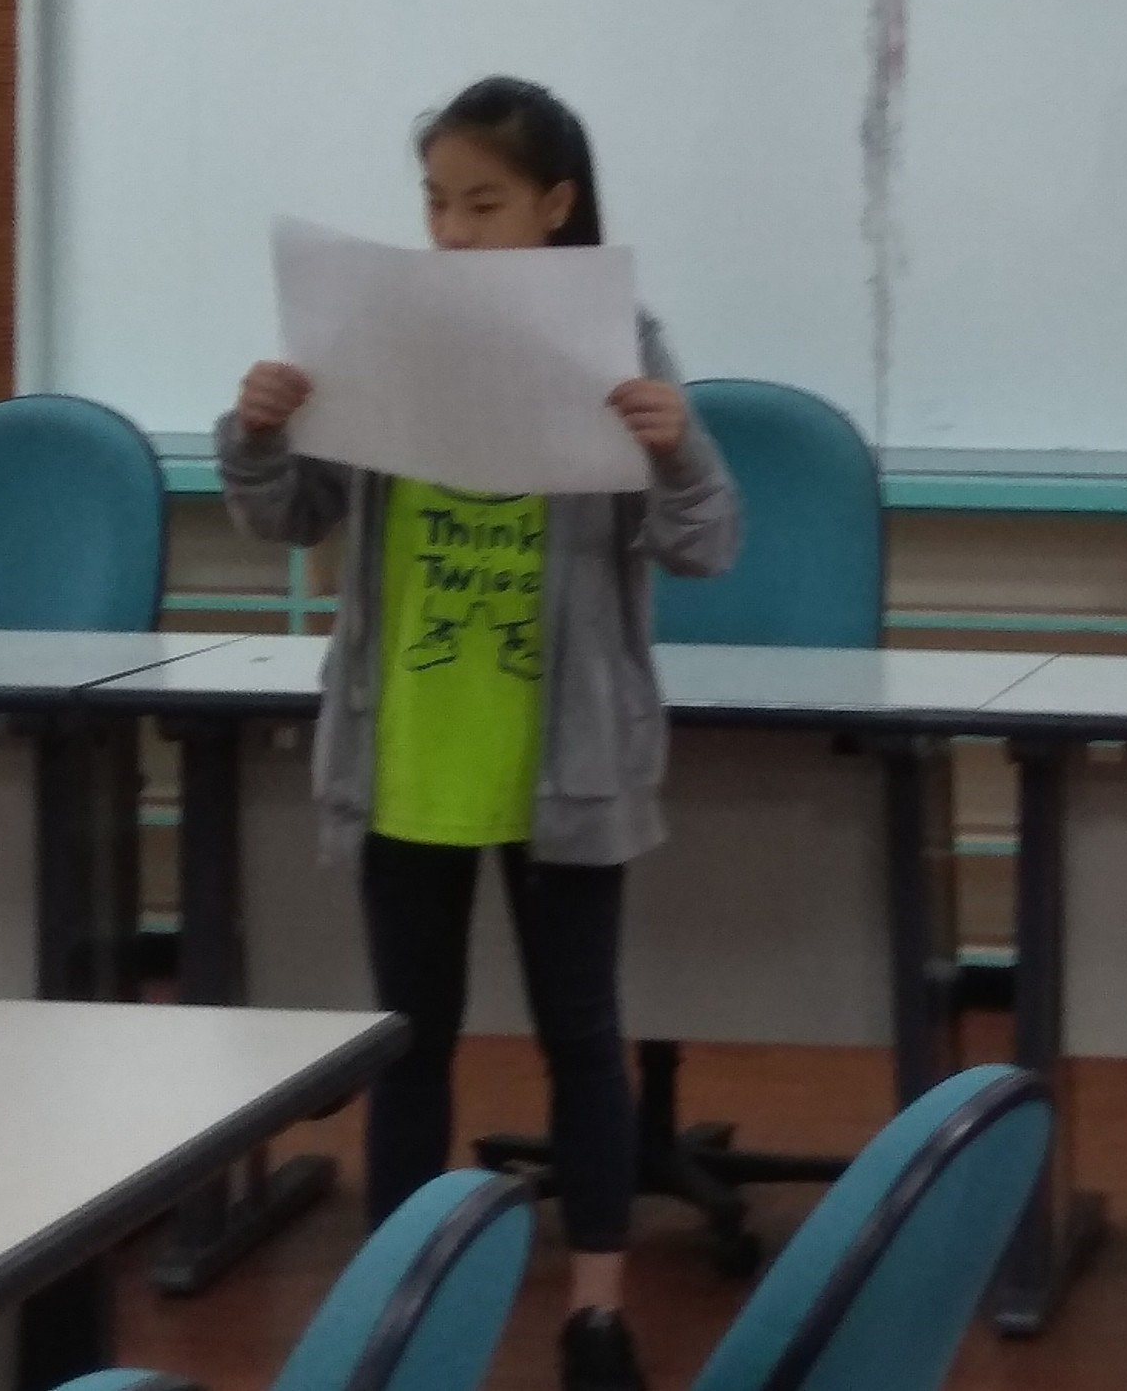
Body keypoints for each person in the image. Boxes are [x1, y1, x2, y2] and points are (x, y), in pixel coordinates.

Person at [217, 77, 740, 1391]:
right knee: (412, 1040)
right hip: (407, 748)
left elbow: (704, 545)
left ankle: (597, 1313)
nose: (451, 231)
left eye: (483, 204)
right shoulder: (378, 334)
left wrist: (679, 451)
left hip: (566, 757)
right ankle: (402, 1305)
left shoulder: (621, 341)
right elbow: (288, 514)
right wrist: (259, 433)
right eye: (436, 204)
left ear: (555, 206)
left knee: (581, 1036)